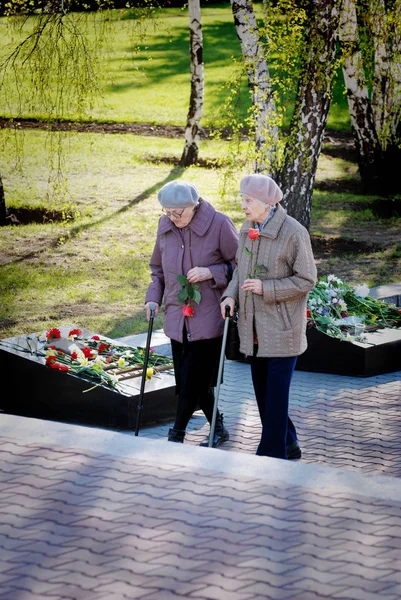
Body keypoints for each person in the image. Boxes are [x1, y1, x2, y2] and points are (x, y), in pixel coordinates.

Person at [221, 174, 317, 460]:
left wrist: (267, 288)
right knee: (264, 399)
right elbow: (241, 269)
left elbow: (307, 280)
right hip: (253, 329)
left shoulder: (294, 232)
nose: (243, 205)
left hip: (282, 329)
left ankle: (271, 457)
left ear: (266, 203)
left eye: (248, 200)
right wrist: (230, 295)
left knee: (274, 399)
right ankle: (289, 442)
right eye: (242, 199)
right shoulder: (247, 227)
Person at [145, 180, 239, 446]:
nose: (174, 219)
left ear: (194, 206)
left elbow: (241, 265)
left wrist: (212, 272)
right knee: (194, 382)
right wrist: (153, 298)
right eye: (168, 213)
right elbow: (158, 270)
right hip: (177, 319)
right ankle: (218, 427)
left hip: (209, 317)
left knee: (190, 381)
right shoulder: (165, 228)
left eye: (179, 213)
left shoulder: (219, 224)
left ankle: (176, 434)